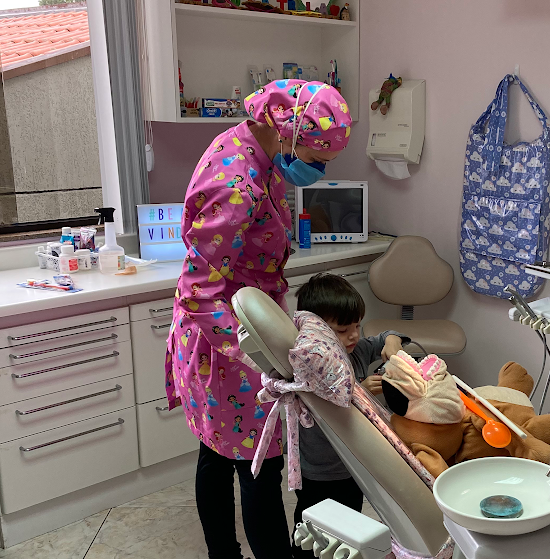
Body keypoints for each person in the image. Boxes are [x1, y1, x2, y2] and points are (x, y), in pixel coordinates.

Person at [165, 80, 352, 559]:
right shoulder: (235, 186)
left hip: (241, 323)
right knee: (259, 466)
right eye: (318, 158)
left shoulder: (256, 148)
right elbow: (198, 292)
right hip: (227, 339)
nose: (319, 170)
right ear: (289, 130)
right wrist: (262, 358)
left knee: (217, 453)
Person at [291, 273, 410, 558]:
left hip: (354, 465)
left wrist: (392, 344)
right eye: (343, 329)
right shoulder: (312, 363)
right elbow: (330, 408)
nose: (354, 335)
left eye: (357, 325)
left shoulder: (357, 351)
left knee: (348, 527)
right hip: (319, 470)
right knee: (313, 529)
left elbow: (387, 335)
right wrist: (362, 392)